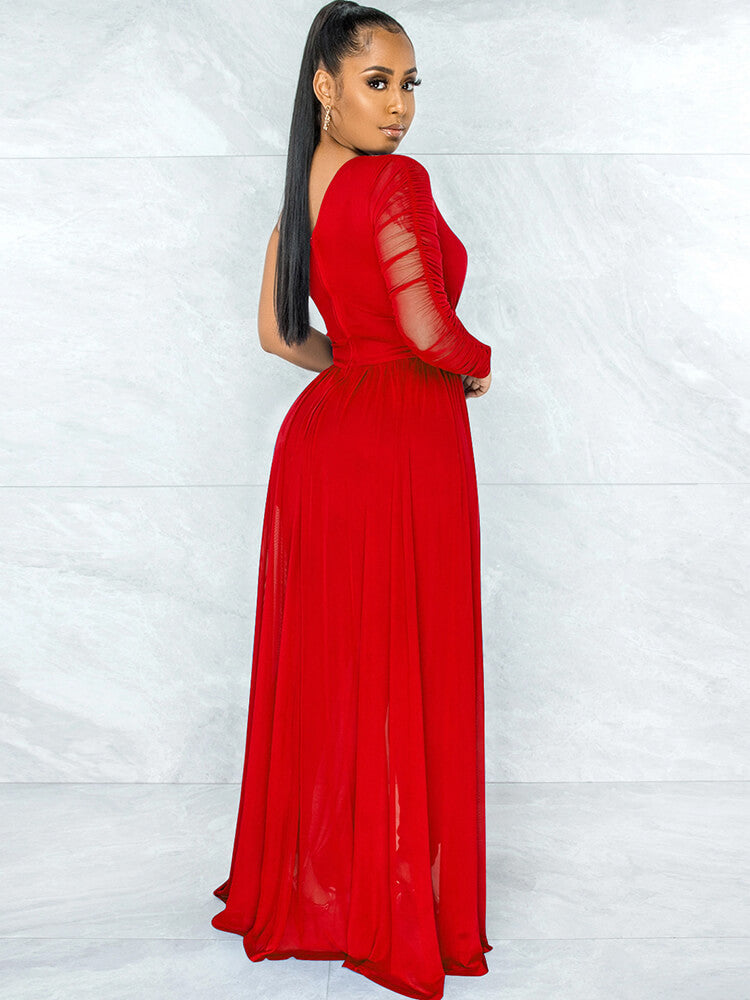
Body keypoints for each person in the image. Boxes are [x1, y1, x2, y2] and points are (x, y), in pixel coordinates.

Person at [210, 3, 493, 998]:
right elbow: (429, 327)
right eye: (378, 82)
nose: (400, 105)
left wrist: (355, 370)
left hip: (326, 440)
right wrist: (478, 362)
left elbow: (279, 334)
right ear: (325, 85)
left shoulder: (302, 197)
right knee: (406, 655)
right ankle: (391, 896)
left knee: (341, 667)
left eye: (409, 84)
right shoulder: (393, 183)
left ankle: (332, 882)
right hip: (400, 442)